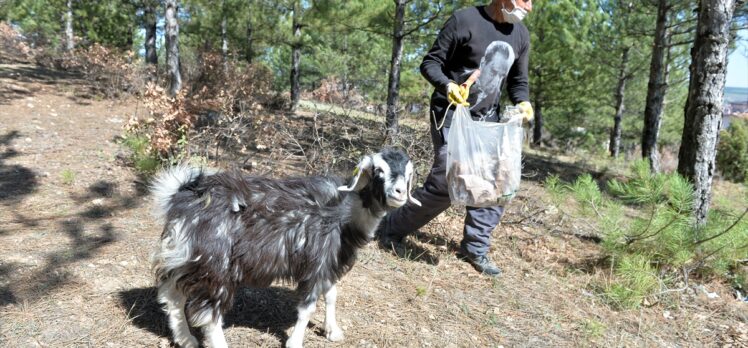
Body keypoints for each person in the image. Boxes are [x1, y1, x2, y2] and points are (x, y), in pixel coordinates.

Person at [378, 0, 534, 276]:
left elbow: (517, 82)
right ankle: (390, 229)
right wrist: (448, 85)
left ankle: (475, 247)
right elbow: (431, 63)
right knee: (446, 181)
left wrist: (523, 102)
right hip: (451, 113)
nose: (529, 7)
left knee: (496, 184)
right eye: (524, 0)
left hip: (487, 120)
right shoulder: (465, 20)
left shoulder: (520, 35)